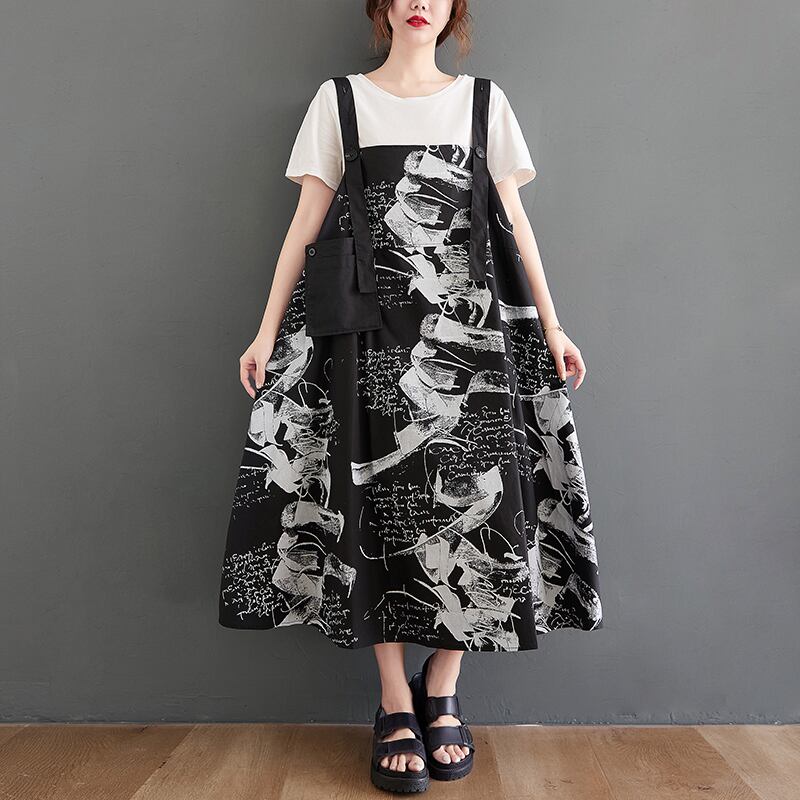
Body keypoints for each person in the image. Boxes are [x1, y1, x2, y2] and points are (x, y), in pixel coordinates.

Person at [218, 0, 602, 792]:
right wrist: (264, 331)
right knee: (371, 502)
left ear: (455, 8)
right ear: (382, 6)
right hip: (362, 334)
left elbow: (515, 224)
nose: (420, 0)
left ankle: (443, 687)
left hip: (473, 336)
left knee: (487, 502)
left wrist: (554, 325)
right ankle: (395, 700)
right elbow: (304, 225)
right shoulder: (340, 101)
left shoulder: (484, 103)